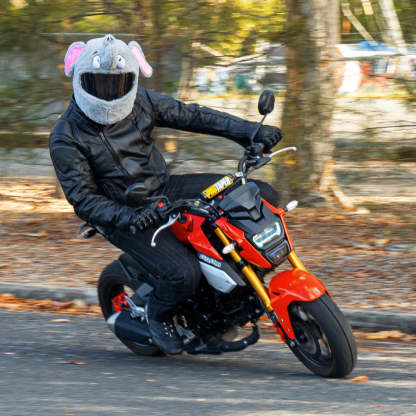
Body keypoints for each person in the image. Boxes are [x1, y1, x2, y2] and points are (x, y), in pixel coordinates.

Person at [50, 34, 282, 354]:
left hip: (164, 188)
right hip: (122, 211)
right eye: (99, 83)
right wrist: (129, 217)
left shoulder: (141, 100)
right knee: (181, 273)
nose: (109, 92)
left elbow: (192, 115)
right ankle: (158, 316)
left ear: (132, 77)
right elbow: (83, 198)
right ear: (79, 78)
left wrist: (250, 132)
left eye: (117, 83)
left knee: (261, 195)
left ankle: (229, 291)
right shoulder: (66, 134)